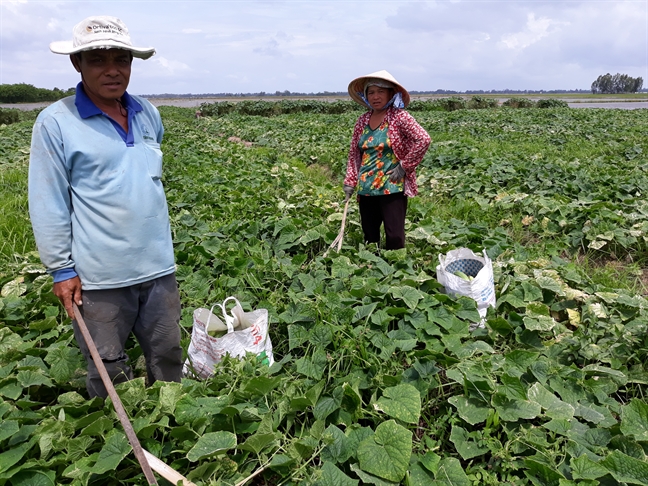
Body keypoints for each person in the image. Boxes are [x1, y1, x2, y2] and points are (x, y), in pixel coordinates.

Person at [28, 16, 182, 398]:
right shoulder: (55, 122)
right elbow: (47, 201)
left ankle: (167, 426)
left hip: (158, 269)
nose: (113, 70)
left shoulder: (148, 113)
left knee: (167, 355)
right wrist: (61, 269)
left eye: (122, 59)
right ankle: (120, 440)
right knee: (108, 365)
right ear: (77, 64)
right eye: (98, 60)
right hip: (99, 278)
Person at [343, 70, 431, 250]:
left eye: (380, 91)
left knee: (395, 236)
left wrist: (404, 167)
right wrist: (351, 181)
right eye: (371, 92)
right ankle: (371, 269)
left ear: (391, 94)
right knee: (370, 235)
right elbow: (355, 153)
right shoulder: (362, 120)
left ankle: (397, 272)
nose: (375, 96)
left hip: (391, 185)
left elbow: (423, 139)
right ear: (365, 95)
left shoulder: (399, 117)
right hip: (366, 187)